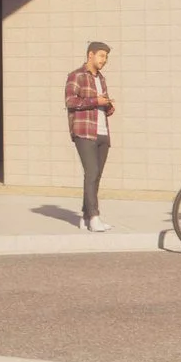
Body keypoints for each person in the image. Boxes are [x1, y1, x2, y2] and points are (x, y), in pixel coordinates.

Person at [64, 42, 113, 231]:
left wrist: (107, 106)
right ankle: (94, 217)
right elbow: (70, 101)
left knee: (96, 176)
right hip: (84, 132)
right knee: (91, 172)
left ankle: (85, 216)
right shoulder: (76, 75)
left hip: (103, 132)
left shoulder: (101, 79)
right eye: (101, 56)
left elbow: (100, 105)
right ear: (90, 55)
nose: (104, 60)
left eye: (106, 57)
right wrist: (95, 101)